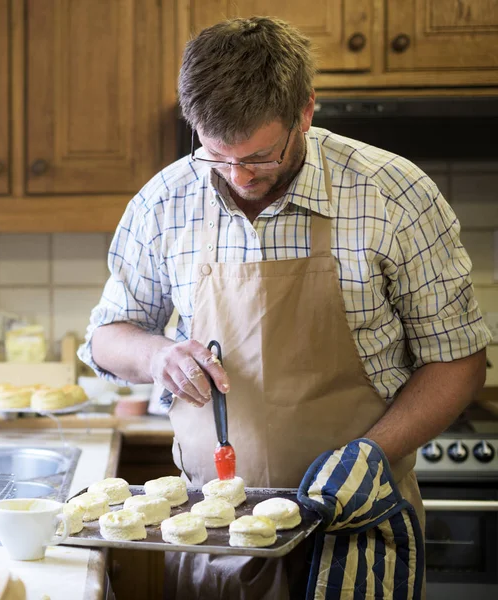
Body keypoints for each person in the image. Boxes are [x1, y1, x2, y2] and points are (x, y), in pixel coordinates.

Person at [79, 16, 491, 599]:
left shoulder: (393, 196)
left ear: (306, 113)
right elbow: (105, 335)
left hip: (358, 527)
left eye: (261, 157)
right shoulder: (164, 201)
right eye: (217, 157)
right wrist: (158, 355)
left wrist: (372, 454)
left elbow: (459, 361)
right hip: (213, 532)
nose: (239, 176)